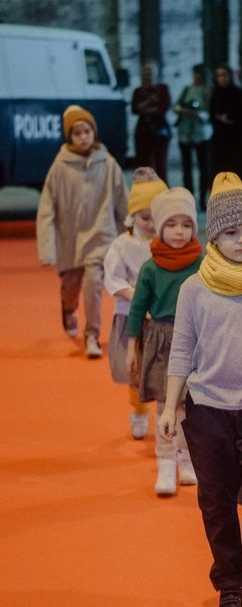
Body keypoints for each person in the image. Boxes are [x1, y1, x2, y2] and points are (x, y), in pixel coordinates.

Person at [158, 172, 242, 607]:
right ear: (214, 236)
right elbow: (182, 349)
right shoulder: (194, 289)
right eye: (232, 232)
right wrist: (170, 405)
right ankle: (230, 583)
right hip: (208, 408)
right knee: (215, 503)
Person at [36, 104, 128, 359]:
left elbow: (123, 202)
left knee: (93, 285)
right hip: (70, 240)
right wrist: (47, 248)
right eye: (77, 133)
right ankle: (68, 308)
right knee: (71, 287)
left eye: (87, 131)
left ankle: (92, 335)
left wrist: (130, 236)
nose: (83, 137)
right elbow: (46, 209)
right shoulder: (60, 167)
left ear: (94, 132)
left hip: (100, 236)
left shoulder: (108, 164)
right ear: (70, 136)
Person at [126, 187, 202, 496]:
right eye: (171, 224)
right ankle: (166, 462)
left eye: (186, 224)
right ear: (159, 227)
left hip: (194, 342)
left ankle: (186, 458)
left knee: (190, 407)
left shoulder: (203, 263)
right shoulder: (150, 267)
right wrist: (132, 347)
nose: (179, 231)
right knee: (165, 407)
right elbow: (137, 309)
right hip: (160, 341)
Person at [104, 167, 167, 439]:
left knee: (166, 372)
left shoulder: (171, 243)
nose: (151, 224)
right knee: (135, 372)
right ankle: (139, 411)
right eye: (145, 217)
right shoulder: (122, 245)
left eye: (157, 217)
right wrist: (137, 297)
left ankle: (166, 418)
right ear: (132, 216)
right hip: (131, 317)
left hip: (165, 319)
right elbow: (113, 279)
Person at [174, 63, 212, 210]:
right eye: (194, 73)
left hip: (202, 133)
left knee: (204, 167)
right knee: (187, 168)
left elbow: (210, 113)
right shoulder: (187, 89)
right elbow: (175, 106)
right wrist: (184, 110)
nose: (196, 76)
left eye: (198, 74)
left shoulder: (207, 92)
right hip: (185, 132)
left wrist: (198, 113)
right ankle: (188, 198)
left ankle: (203, 198)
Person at [209, 64, 242, 181]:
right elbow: (212, 115)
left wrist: (233, 119)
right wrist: (220, 118)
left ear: (230, 76)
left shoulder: (239, 93)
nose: (221, 78)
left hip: (237, 142)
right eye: (218, 76)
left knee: (237, 175)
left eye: (224, 75)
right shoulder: (215, 94)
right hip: (220, 142)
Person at [132, 61, 171, 182]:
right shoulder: (138, 91)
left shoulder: (163, 89)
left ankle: (162, 188)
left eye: (150, 71)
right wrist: (150, 102)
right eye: (146, 71)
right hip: (143, 130)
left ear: (156, 73)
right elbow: (135, 109)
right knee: (143, 161)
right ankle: (144, 188)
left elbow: (163, 108)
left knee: (160, 162)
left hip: (159, 129)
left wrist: (144, 108)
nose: (148, 74)